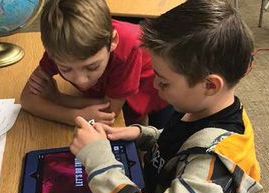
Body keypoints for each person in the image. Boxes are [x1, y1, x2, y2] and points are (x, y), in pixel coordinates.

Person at [70, 0, 263, 193]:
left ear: (209, 85)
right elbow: (180, 141)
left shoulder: (215, 164)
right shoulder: (198, 106)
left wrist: (98, 160)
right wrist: (142, 134)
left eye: (164, 82)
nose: (154, 85)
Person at [20, 0, 171, 128]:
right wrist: (75, 116)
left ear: (113, 42)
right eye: (65, 69)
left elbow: (110, 110)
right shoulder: (61, 47)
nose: (80, 80)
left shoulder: (128, 48)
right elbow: (27, 100)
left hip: (152, 91)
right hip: (110, 90)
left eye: (92, 67)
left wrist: (58, 98)